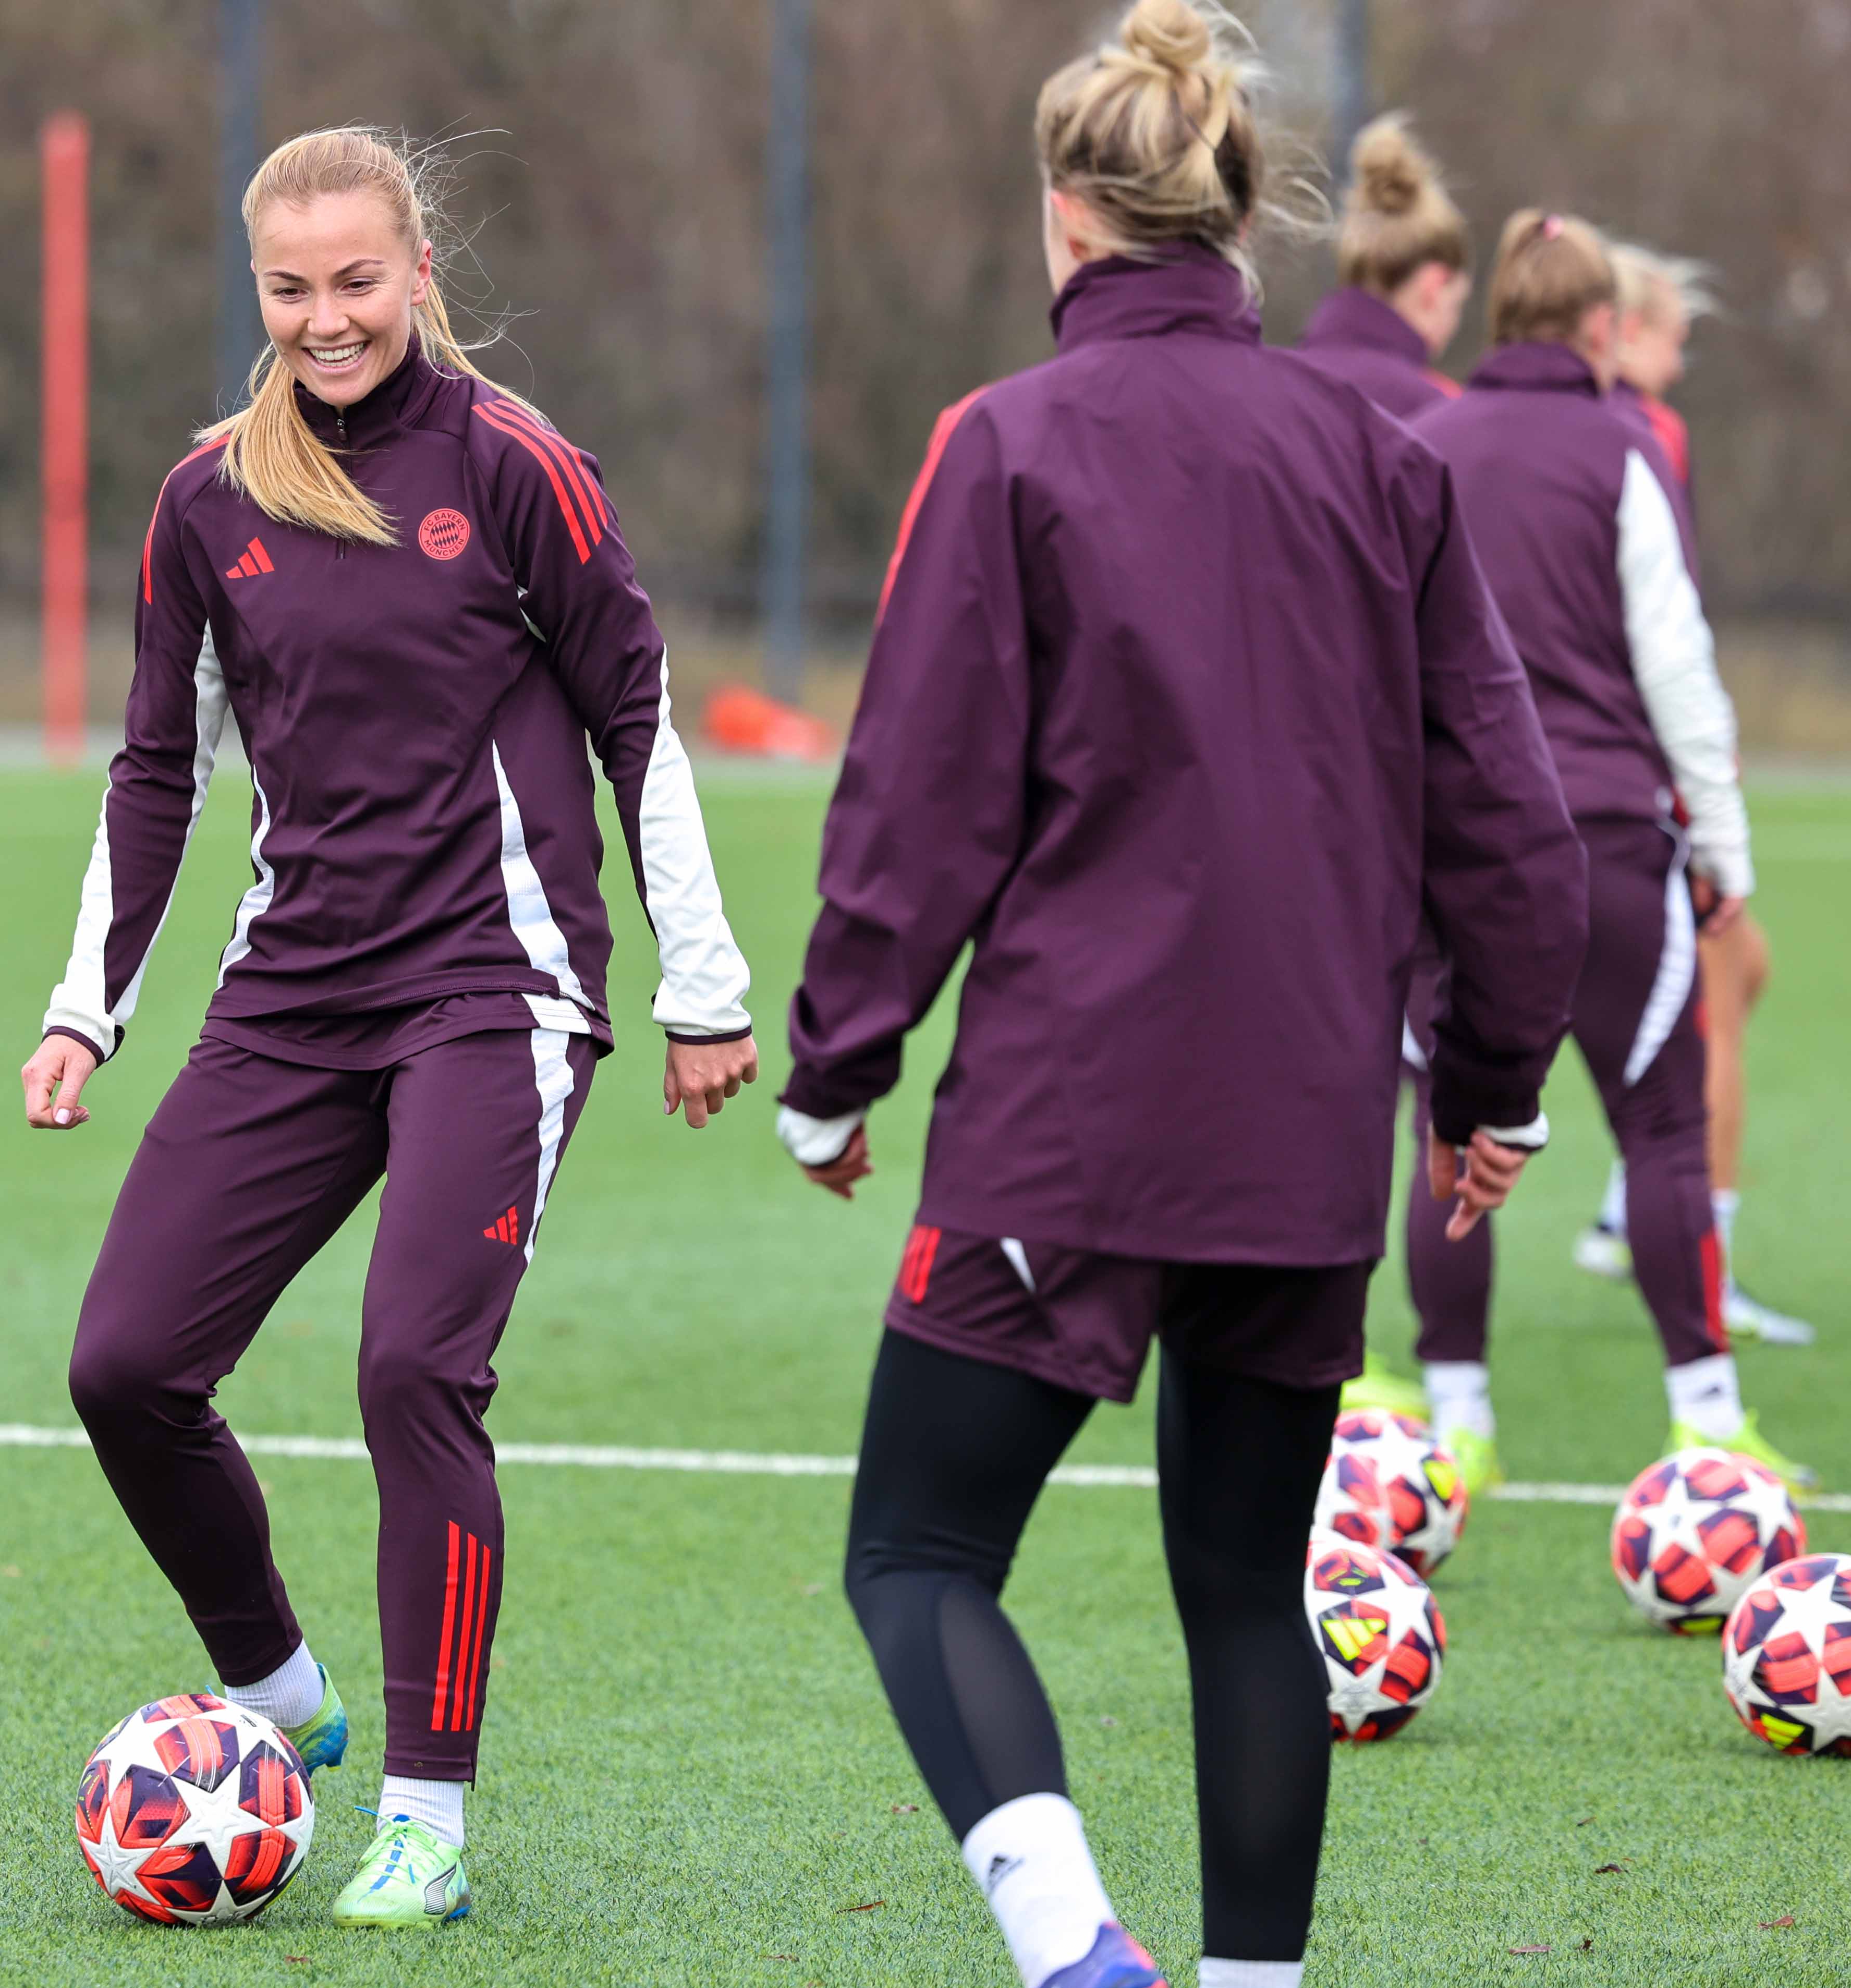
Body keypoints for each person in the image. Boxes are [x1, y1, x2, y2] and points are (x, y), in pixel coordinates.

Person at [774, 7, 1587, 1986]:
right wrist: (1488, 1086)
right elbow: (1517, 826)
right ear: (1242, 225)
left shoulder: (1009, 440)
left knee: (918, 1554)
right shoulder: (1375, 453)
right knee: (1242, 1586)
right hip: (1304, 1125)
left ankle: (1073, 1950)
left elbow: (917, 793)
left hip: (1072, 1110)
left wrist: (836, 1062)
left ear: (1064, 214)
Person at [22, 125, 760, 1929]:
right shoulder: (205, 498)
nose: (327, 316)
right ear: (256, 293)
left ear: (417, 272)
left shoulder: (514, 468)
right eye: (290, 288)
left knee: (408, 1372)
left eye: (357, 280)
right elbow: (152, 766)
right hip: (292, 992)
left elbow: (639, 723)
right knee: (121, 1365)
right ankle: (278, 1697)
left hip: (488, 989)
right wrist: (83, 1011)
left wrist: (701, 984)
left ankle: (425, 1814)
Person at [1381, 212, 1806, 1484]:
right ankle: (1709, 1421)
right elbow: (1679, 666)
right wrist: (1721, 846)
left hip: (1451, 853)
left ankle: (1456, 1423)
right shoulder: (1624, 446)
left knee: (1446, 1134)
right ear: (1602, 325)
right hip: (1608, 839)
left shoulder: (1422, 440)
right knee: (1664, 1130)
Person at [1569, 245, 1813, 1345]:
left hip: (1590, 769)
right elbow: (1660, 623)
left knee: (1731, 970)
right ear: (1619, 332)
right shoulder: (1638, 434)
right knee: (1711, 989)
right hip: (1631, 773)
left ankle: (1629, 1209)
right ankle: (1687, 1243)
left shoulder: (1558, 427)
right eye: (1672, 333)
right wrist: (1697, 766)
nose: (1681, 356)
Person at [1294, 114, 1471, 420]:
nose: (1451, 328)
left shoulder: (1279, 382)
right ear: (1434, 286)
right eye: (1456, 305)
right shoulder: (1439, 410)